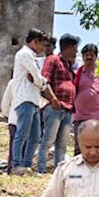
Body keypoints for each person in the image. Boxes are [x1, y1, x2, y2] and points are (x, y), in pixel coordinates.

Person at [11, 30, 58, 175]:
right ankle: (17, 164)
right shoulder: (24, 54)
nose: (44, 49)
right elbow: (37, 78)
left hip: (33, 100)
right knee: (22, 134)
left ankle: (26, 164)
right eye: (42, 44)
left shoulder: (32, 56)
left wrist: (40, 82)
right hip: (25, 99)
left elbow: (37, 79)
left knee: (35, 136)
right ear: (35, 42)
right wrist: (43, 84)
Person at [39, 34, 79, 174]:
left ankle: (59, 173)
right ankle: (41, 170)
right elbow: (44, 81)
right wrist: (53, 99)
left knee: (62, 146)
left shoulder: (69, 65)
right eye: (75, 48)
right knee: (47, 142)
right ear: (68, 47)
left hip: (68, 109)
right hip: (56, 107)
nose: (76, 52)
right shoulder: (53, 60)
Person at [72, 44, 99, 129]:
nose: (89, 57)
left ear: (96, 56)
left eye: (91, 55)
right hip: (81, 116)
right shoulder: (76, 74)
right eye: (86, 55)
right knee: (81, 142)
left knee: (98, 141)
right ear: (82, 57)